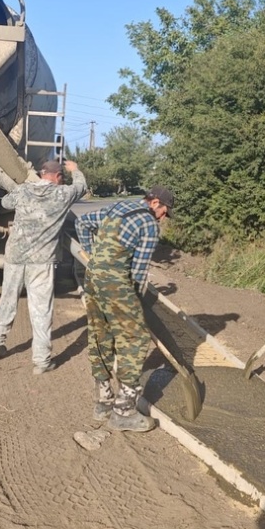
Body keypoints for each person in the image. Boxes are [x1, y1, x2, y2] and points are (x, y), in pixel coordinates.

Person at [75, 185, 174, 433]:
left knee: (100, 336)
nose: (163, 217)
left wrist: (92, 254)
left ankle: (103, 403)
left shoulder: (119, 206)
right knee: (135, 339)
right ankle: (124, 412)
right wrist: (136, 306)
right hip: (116, 285)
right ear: (155, 203)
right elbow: (139, 275)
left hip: (93, 279)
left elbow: (83, 223)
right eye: (164, 211)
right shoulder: (149, 225)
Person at [0, 159, 87, 373]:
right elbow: (81, 187)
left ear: (42, 174)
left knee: (7, 300)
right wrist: (75, 170)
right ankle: (41, 362)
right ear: (58, 176)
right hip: (42, 261)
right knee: (41, 309)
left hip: (15, 257)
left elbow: (4, 204)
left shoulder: (23, 191)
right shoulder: (63, 194)